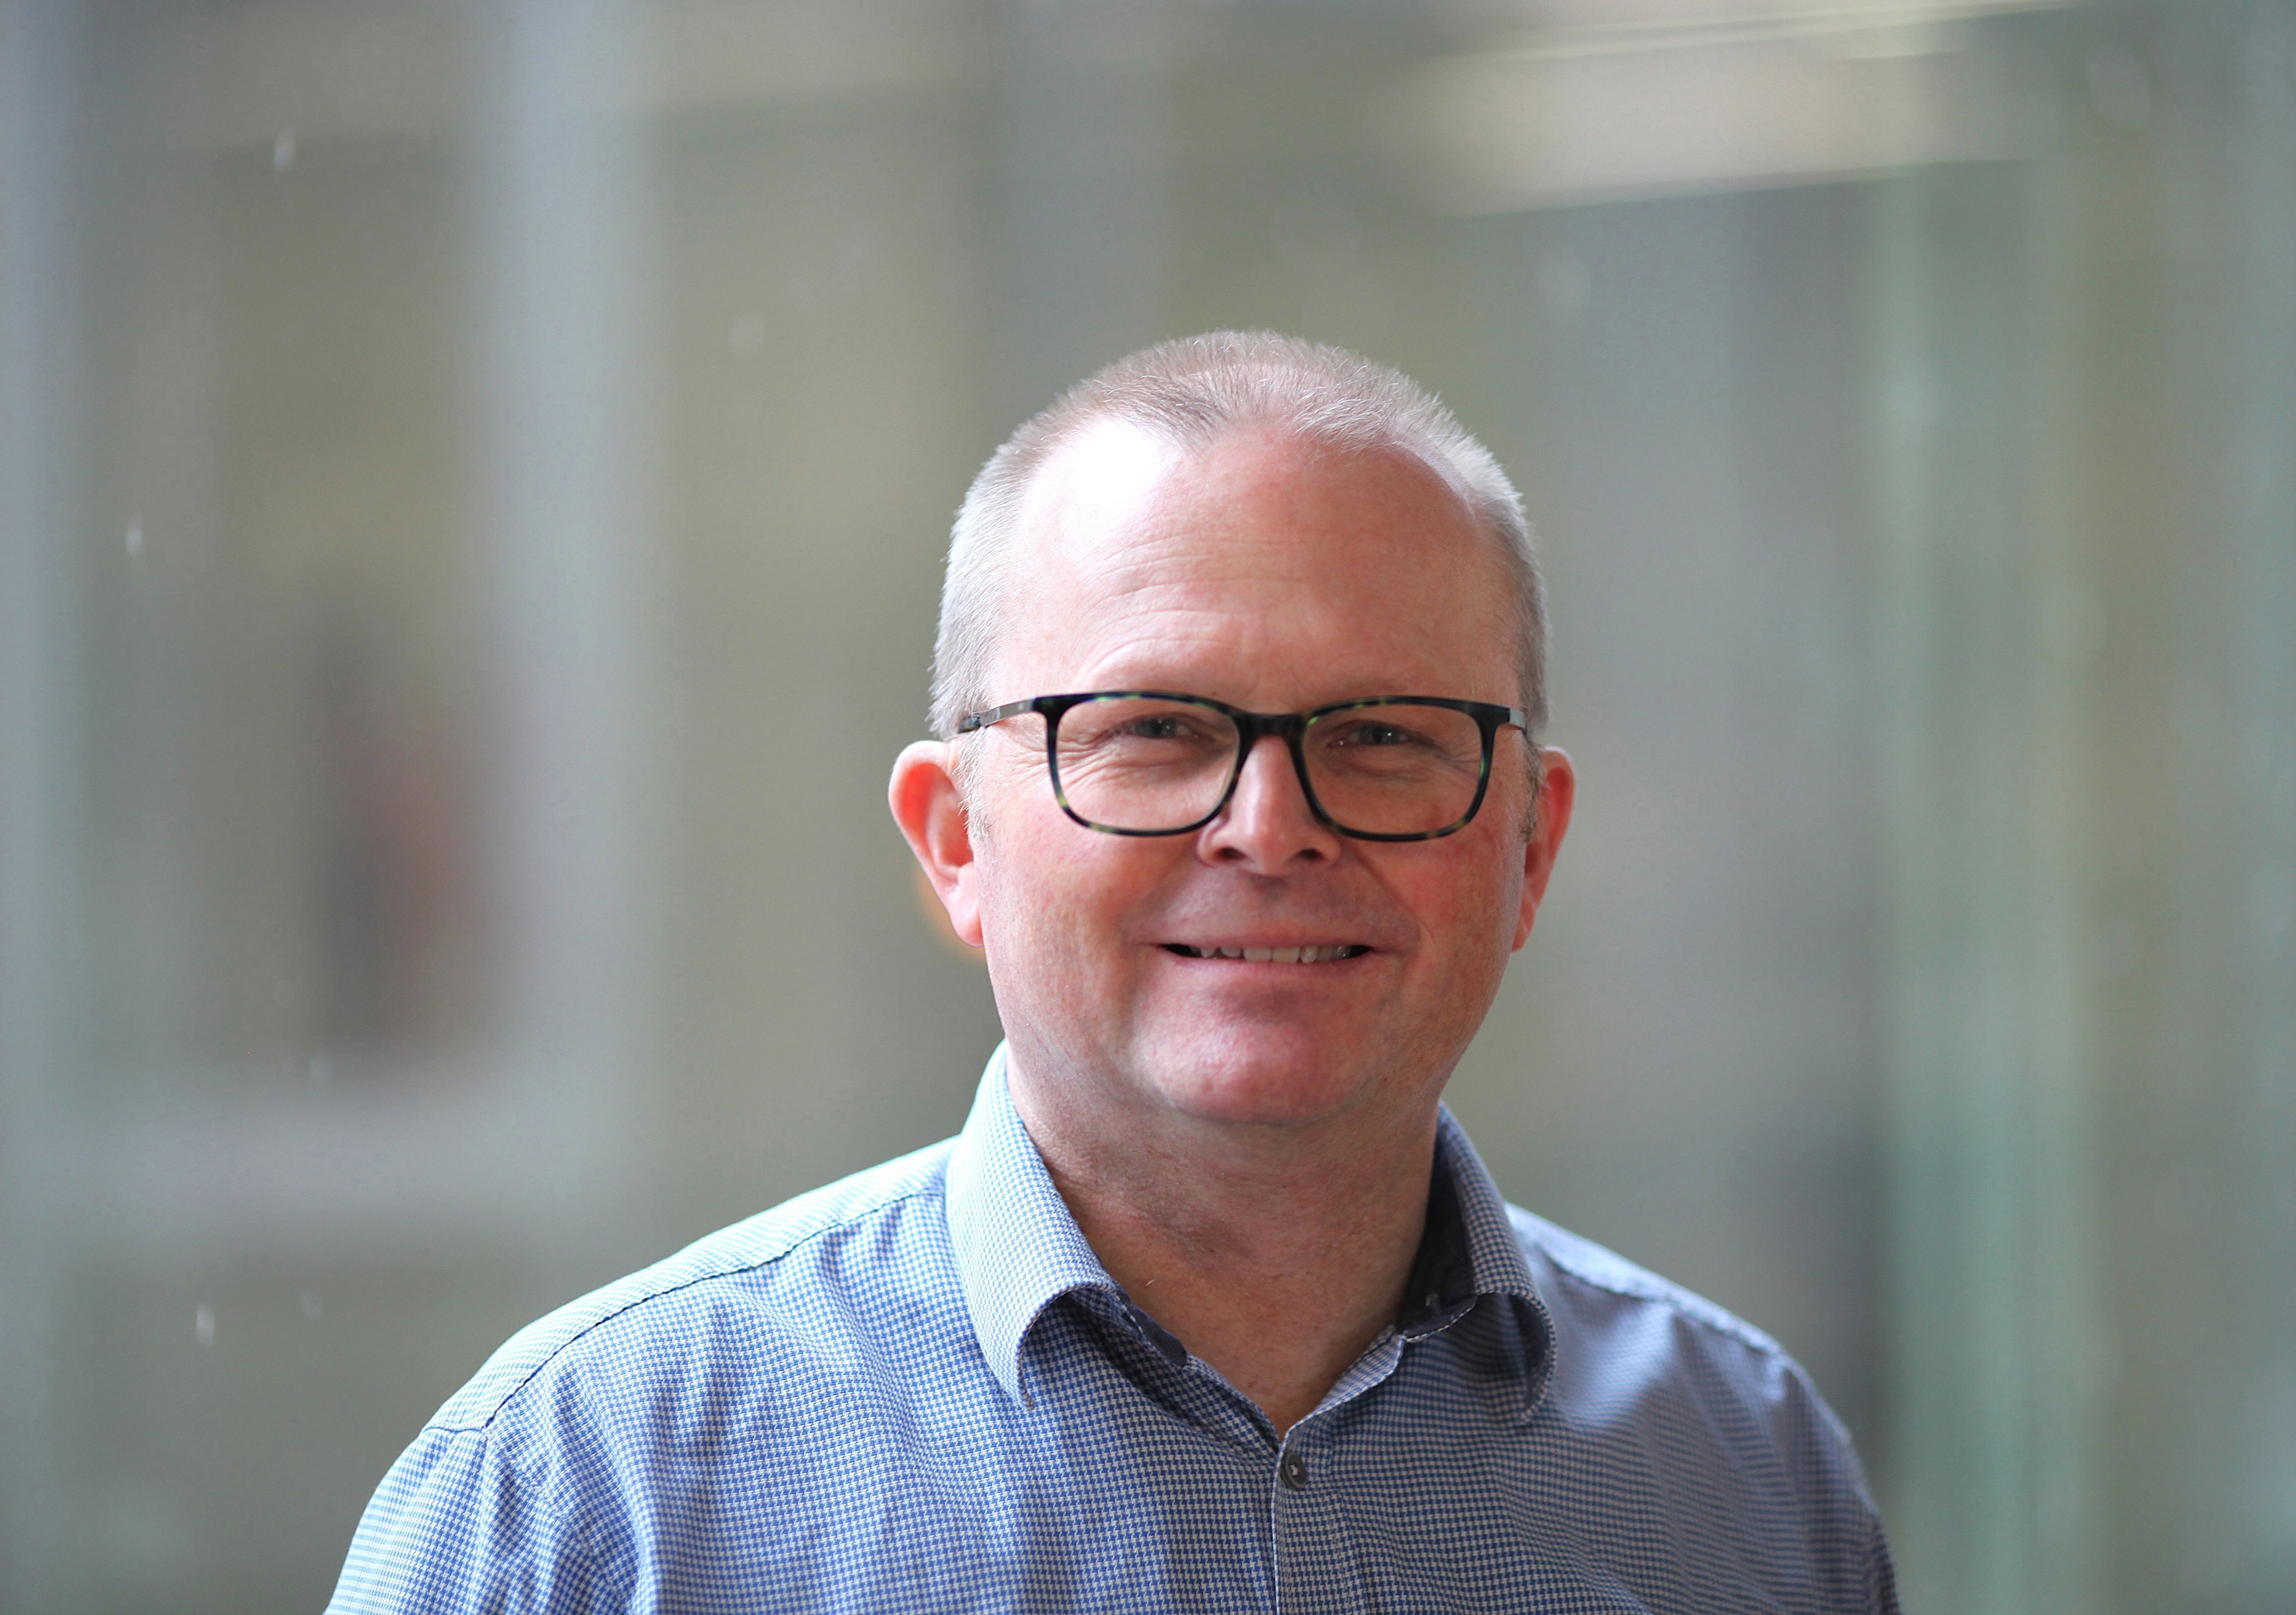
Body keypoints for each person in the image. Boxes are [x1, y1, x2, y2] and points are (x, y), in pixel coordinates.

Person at [329, 332, 1900, 1611]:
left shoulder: (1743, 1473)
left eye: (1382, 734)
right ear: (956, 840)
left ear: (1528, 846)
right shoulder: (588, 1500)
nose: (1269, 827)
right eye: (1154, 729)